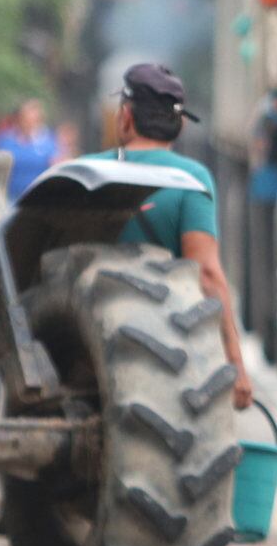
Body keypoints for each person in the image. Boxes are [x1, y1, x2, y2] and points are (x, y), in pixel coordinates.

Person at [90, 62, 254, 410]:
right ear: (178, 124)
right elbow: (206, 273)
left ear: (125, 117)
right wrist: (235, 365)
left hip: (89, 339)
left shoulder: (90, 173)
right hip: (171, 353)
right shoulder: (190, 180)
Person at [0, 98, 59, 201]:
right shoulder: (5, 141)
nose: (30, 122)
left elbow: (56, 167)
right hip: (8, 199)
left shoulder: (48, 143)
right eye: (26, 117)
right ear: (19, 118)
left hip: (38, 200)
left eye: (34, 118)